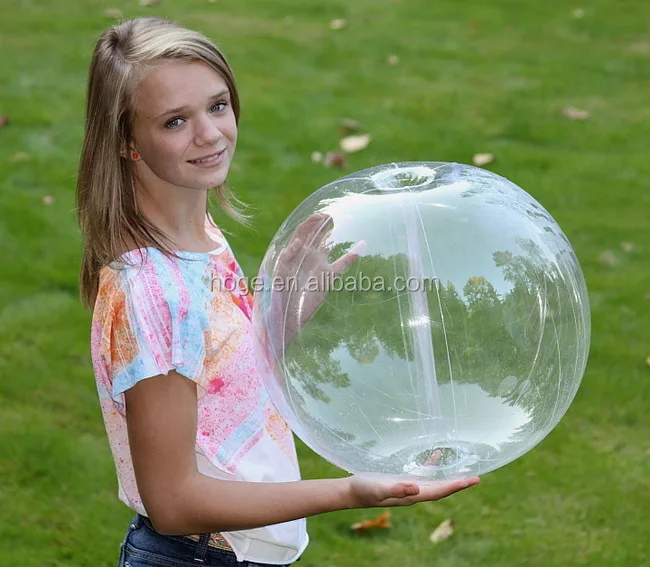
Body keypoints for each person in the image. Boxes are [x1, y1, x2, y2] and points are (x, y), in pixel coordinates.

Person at [76, 16, 480, 567]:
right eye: (175, 121)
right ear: (127, 141)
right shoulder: (153, 290)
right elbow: (174, 502)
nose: (210, 134)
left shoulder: (197, 236)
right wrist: (347, 491)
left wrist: (280, 320)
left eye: (217, 106)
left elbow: (214, 390)